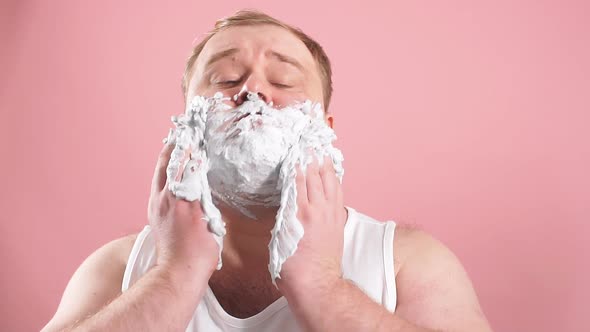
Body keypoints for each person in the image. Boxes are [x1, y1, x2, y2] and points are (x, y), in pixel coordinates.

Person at [42, 10, 493, 332]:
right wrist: (172, 277)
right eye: (224, 79)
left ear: (323, 130)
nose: (253, 90)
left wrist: (322, 285)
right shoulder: (120, 269)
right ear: (185, 125)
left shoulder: (405, 264)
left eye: (283, 82)